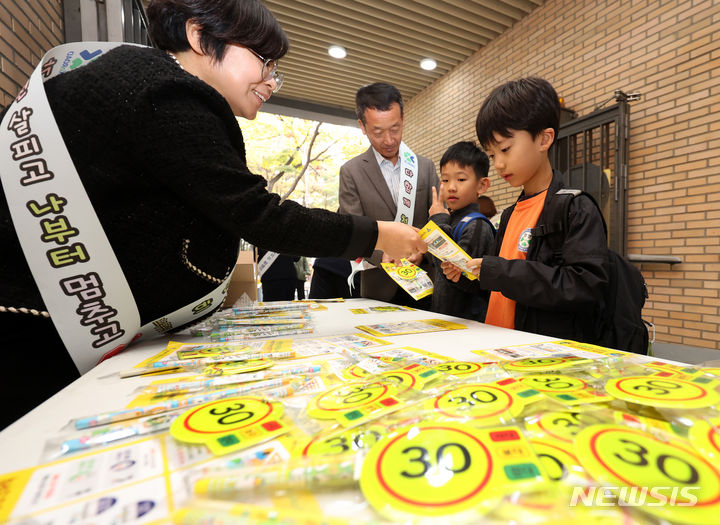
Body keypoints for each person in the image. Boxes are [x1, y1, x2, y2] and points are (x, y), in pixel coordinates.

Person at [0, 0, 426, 429]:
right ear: (199, 37)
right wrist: (379, 234)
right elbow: (258, 214)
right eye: (264, 61)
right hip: (39, 331)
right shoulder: (167, 92)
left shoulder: (140, 78)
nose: (271, 81)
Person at [442, 77, 609, 343]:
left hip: (538, 354)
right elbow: (500, 291)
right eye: (493, 154)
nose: (498, 163)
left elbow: (584, 286)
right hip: (498, 346)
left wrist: (499, 272)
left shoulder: (574, 208)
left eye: (505, 149)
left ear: (544, 139)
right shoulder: (510, 214)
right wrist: (466, 276)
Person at [338, 82, 439, 309]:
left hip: (425, 284)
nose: (389, 140)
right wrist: (380, 254)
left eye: (395, 128)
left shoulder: (424, 167)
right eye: (378, 132)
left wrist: (423, 253)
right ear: (362, 126)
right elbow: (352, 230)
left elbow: (437, 221)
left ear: (403, 118)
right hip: (378, 287)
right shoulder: (352, 172)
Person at [428, 141, 494, 321]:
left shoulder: (477, 225)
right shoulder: (449, 217)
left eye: (461, 179)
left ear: (481, 186)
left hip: (467, 324)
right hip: (447, 320)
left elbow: (465, 278)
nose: (451, 187)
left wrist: (438, 222)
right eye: (445, 180)